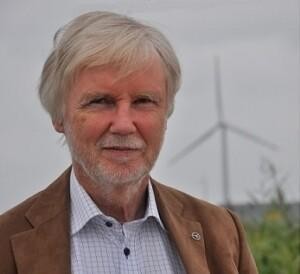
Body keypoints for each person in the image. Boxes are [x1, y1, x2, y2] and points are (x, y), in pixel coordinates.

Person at [0, 11, 258, 274]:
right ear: (59, 117)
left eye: (144, 101)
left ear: (166, 113)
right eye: (100, 101)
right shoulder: (6, 243)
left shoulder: (221, 231)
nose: (124, 125)